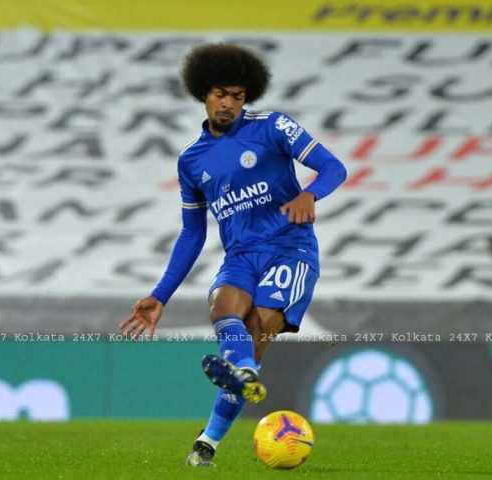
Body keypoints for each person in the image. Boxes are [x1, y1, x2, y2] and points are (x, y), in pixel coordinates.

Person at [118, 43, 347, 466]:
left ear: (248, 97)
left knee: (258, 328)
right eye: (221, 94)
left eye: (238, 96)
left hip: (289, 249)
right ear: (203, 93)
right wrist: (160, 295)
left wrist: (310, 194)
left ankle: (213, 433)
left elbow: (334, 168)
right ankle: (236, 390)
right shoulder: (192, 160)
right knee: (223, 305)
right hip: (240, 255)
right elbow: (192, 234)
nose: (228, 104)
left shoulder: (274, 127)